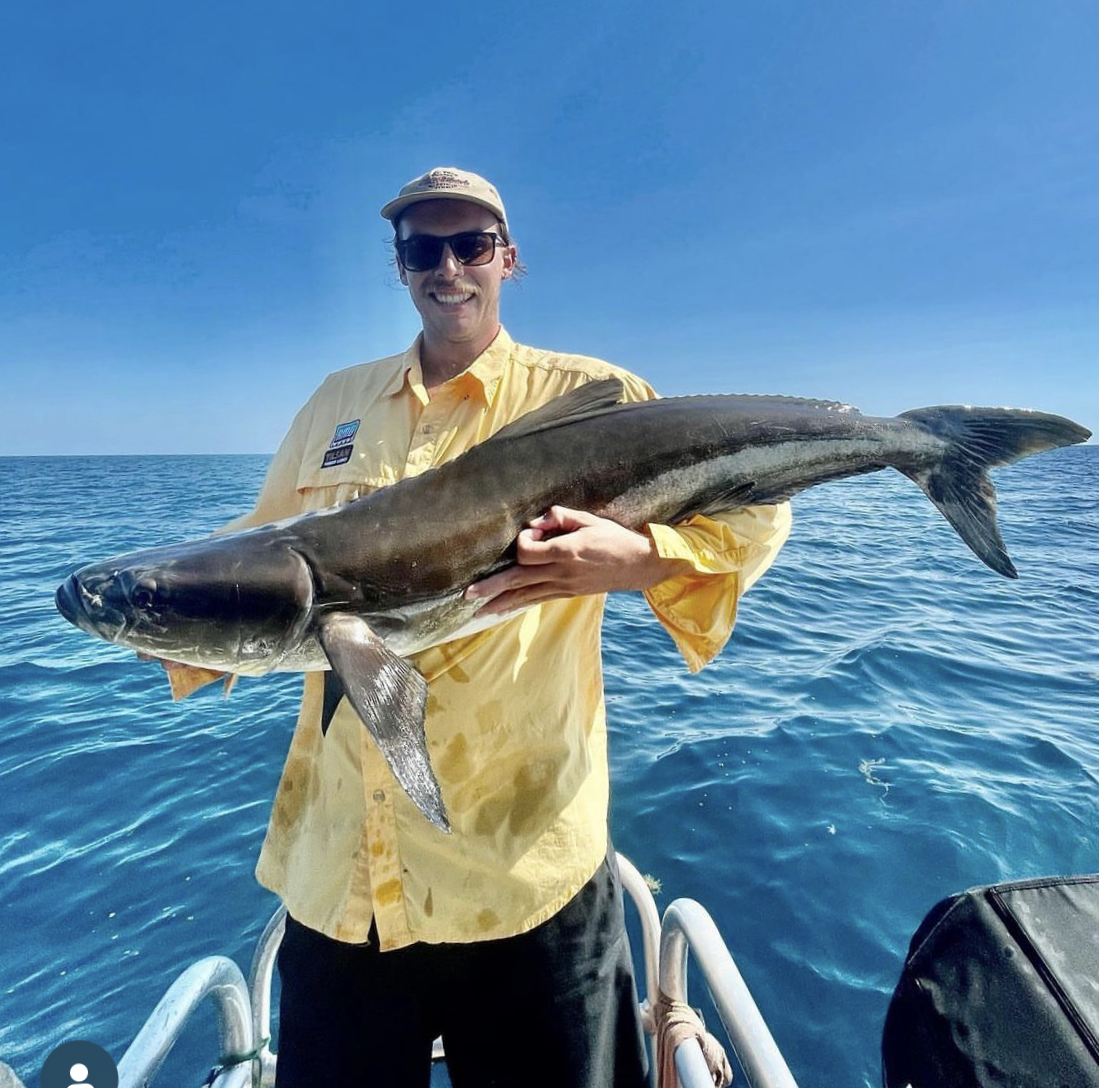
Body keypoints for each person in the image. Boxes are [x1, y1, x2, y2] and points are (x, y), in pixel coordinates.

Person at [164, 167, 791, 1087]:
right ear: (401, 265)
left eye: (470, 246)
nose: (447, 266)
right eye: (424, 249)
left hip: (523, 870)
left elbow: (754, 515)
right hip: (347, 879)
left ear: (508, 259)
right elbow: (251, 554)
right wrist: (153, 617)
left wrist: (640, 559)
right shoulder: (335, 403)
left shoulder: (593, 390)